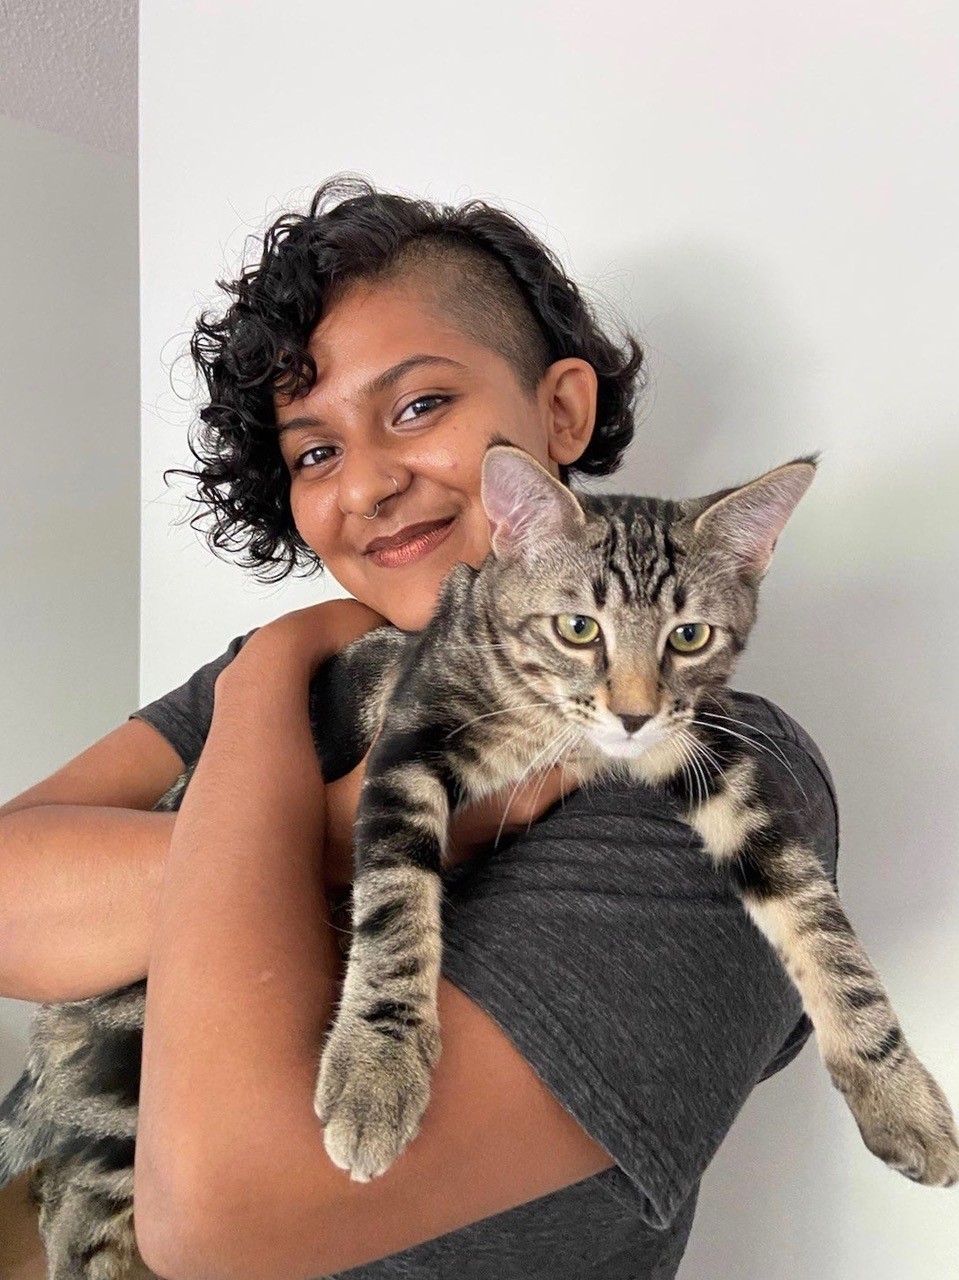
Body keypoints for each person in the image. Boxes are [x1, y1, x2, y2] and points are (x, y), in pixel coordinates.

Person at [0, 176, 838, 1280]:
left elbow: (218, 1214)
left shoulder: (703, 782)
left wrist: (250, 801)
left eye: (416, 407)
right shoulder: (293, 674)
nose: (370, 484)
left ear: (561, 412)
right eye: (312, 452)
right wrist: (303, 725)